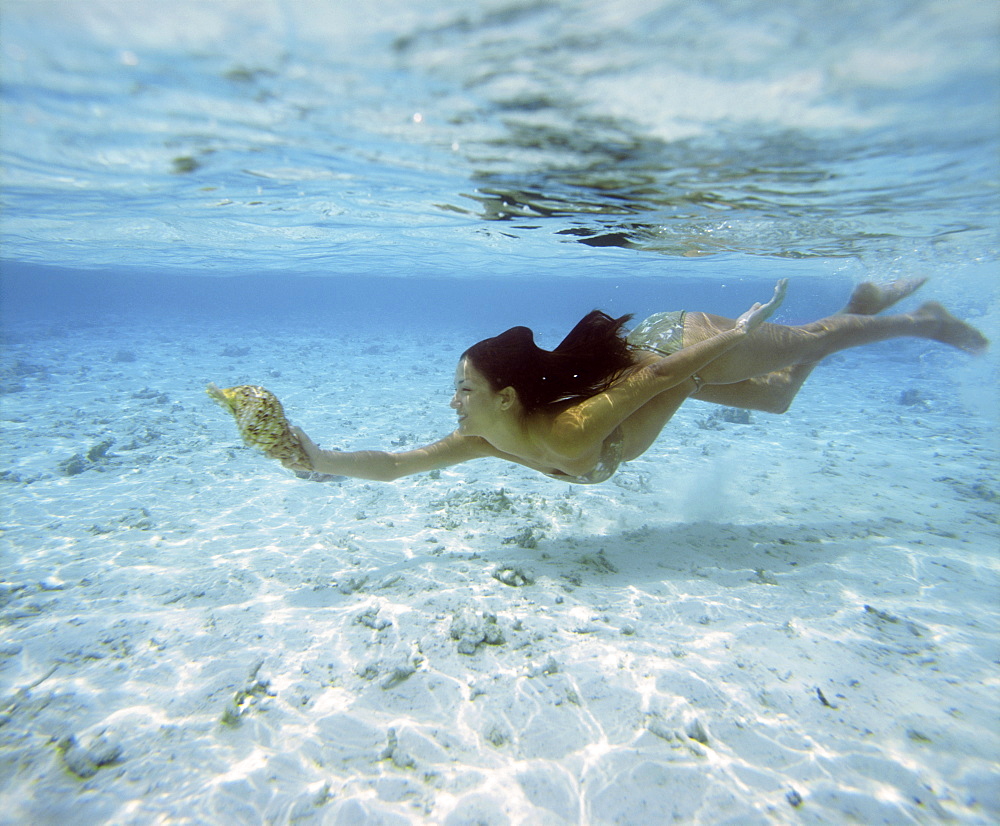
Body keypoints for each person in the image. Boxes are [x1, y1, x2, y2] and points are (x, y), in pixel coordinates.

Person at [282, 278, 988, 484]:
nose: (451, 405)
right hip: (654, 376)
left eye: (463, 391)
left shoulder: (569, 428)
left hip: (676, 348)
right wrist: (320, 459)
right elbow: (401, 464)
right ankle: (861, 304)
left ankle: (922, 321)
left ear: (505, 398)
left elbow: (664, 375)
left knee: (804, 341)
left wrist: (739, 331)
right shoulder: (493, 440)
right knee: (774, 397)